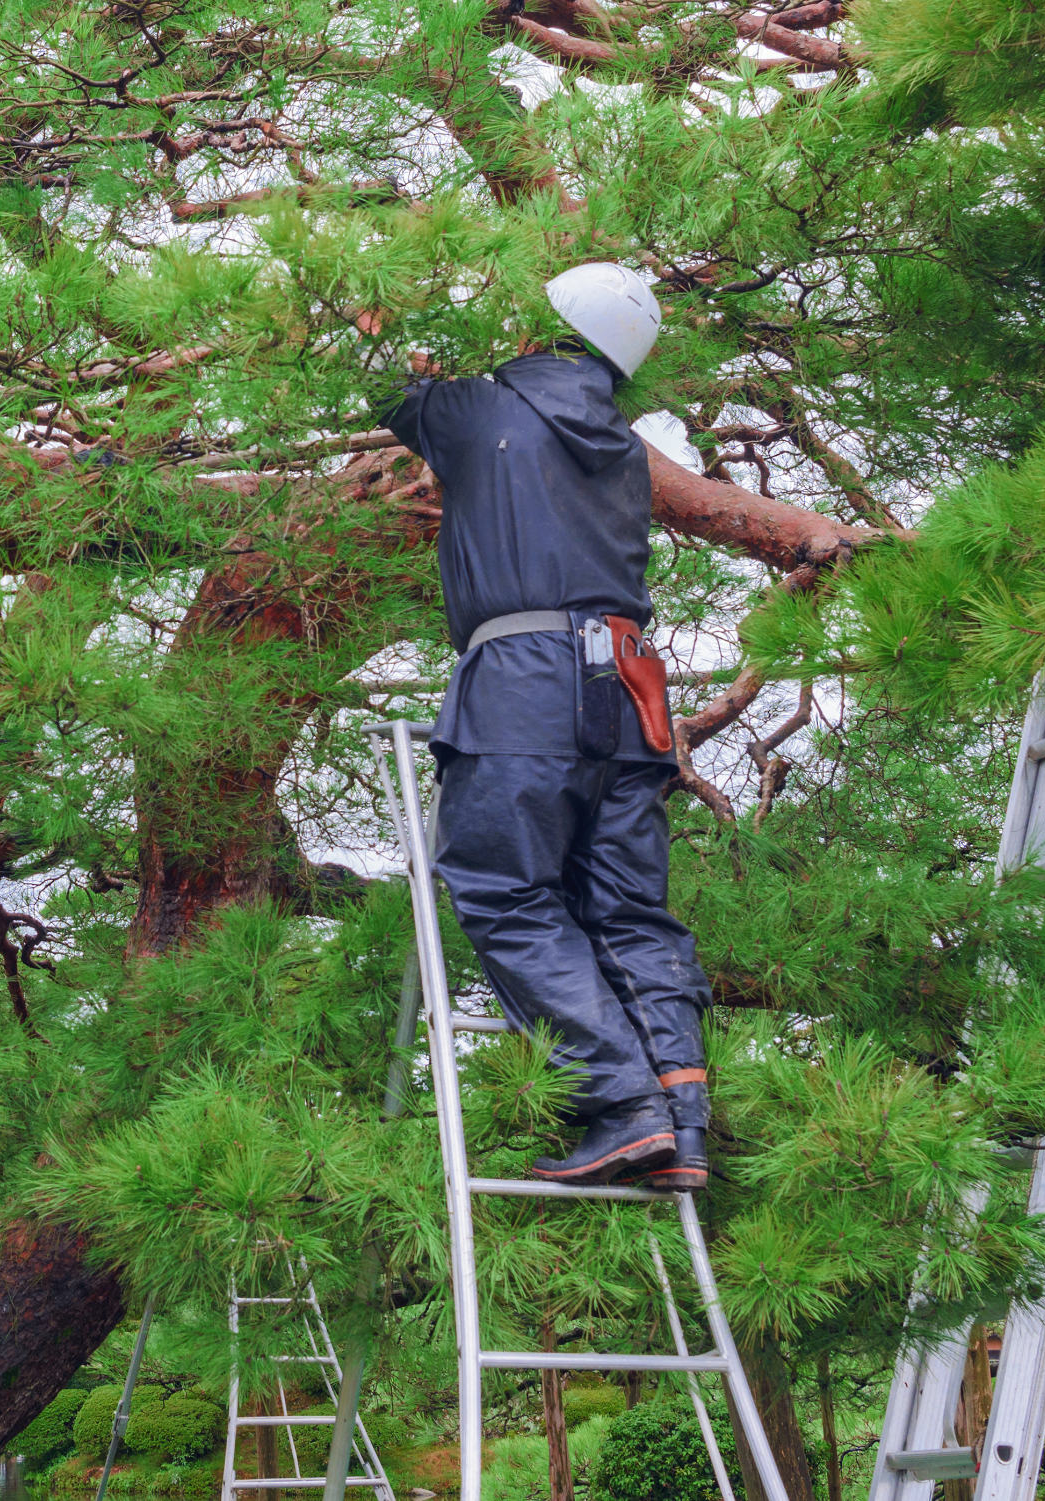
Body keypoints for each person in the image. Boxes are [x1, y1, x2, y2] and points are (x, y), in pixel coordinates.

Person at [379, 264, 712, 1189]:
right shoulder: (624, 447)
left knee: (505, 887)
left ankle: (620, 1103)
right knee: (629, 908)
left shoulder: (485, 409)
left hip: (526, 682)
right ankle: (682, 1118)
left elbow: (372, 378)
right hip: (633, 690)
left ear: (544, 327)